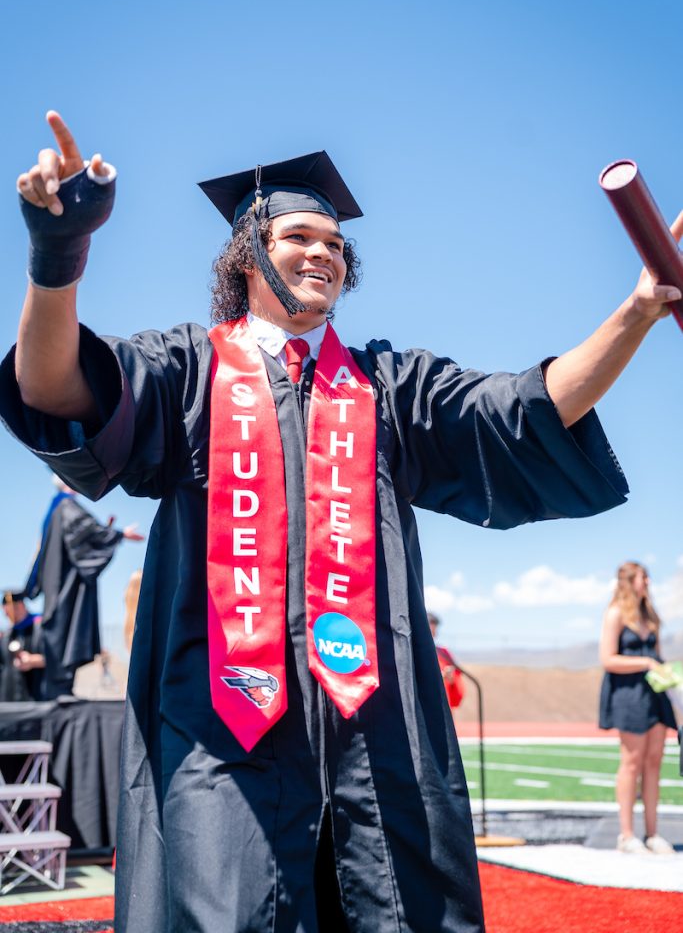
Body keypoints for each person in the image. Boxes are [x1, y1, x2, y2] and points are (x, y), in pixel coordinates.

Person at [0, 110, 680, 933]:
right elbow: (55, 388)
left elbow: (526, 408)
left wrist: (641, 308)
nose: (324, 249)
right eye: (299, 234)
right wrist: (56, 256)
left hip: (377, 730)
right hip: (221, 730)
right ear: (249, 254)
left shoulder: (387, 387)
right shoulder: (188, 370)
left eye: (334, 241)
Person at [23, 477, 144, 698]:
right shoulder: (66, 506)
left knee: (61, 634)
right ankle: (61, 689)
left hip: (56, 587)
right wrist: (119, 534)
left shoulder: (55, 509)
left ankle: (60, 688)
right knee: (65, 630)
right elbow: (86, 531)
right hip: (65, 588)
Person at [598, 561, 677, 855]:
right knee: (631, 762)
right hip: (627, 695)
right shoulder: (616, 613)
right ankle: (627, 835)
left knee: (654, 761)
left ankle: (653, 834)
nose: (648, 583)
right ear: (629, 581)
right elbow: (607, 659)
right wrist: (645, 663)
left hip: (654, 694)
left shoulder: (650, 615)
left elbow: (656, 656)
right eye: (643, 578)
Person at [0, 588, 45, 702]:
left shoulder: (42, 629)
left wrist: (34, 661)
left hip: (36, 698)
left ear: (19, 606)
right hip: (9, 700)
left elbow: (58, 659)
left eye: (8, 612)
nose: (6, 616)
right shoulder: (7, 635)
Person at [428, 611, 465, 712]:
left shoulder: (443, 653)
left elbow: (457, 689)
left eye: (433, 632)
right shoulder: (410, 653)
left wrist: (451, 679)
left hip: (443, 707)